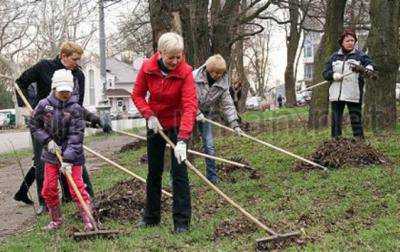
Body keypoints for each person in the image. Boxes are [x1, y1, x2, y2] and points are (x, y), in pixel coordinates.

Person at [13, 41, 109, 214]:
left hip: (65, 124)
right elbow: (20, 82)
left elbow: (77, 106)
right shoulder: (44, 66)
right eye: (74, 59)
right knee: (43, 162)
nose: (77, 63)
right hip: (42, 123)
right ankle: (45, 203)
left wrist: (93, 121)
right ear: (63, 56)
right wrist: (25, 107)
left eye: (79, 59)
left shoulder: (78, 75)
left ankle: (77, 196)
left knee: (72, 156)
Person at [131, 32, 197, 233]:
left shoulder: (185, 72)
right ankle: (151, 217)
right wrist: (149, 116)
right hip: (155, 124)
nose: (175, 61)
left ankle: (182, 222)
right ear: (160, 53)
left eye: (179, 56)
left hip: (178, 124)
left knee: (179, 172)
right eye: (171, 57)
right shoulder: (147, 68)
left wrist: (183, 139)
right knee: (154, 171)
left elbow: (189, 105)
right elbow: (137, 94)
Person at [29, 69, 94, 231]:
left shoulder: (75, 109)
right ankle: (56, 220)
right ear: (54, 89)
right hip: (51, 154)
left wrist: (68, 160)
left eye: (68, 91)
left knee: (76, 188)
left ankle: (88, 219)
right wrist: (47, 140)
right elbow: (34, 126)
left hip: (73, 156)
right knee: (48, 188)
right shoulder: (44, 105)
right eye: (62, 91)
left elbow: (76, 136)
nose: (65, 94)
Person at [193, 54, 243, 183]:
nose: (218, 76)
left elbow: (227, 104)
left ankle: (212, 176)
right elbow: (186, 96)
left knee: (209, 145)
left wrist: (234, 124)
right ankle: (175, 179)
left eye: (221, 73)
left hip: (205, 114)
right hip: (187, 111)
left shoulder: (223, 83)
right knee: (181, 144)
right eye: (215, 73)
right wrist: (196, 111)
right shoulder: (193, 77)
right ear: (208, 70)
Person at [323, 28, 374, 139]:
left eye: (352, 40)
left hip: (353, 94)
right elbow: (325, 73)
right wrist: (333, 75)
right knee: (336, 121)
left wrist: (368, 68)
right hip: (336, 95)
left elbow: (369, 65)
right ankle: (336, 143)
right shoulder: (334, 57)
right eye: (347, 41)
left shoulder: (361, 56)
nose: (351, 43)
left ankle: (360, 144)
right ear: (342, 42)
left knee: (356, 120)